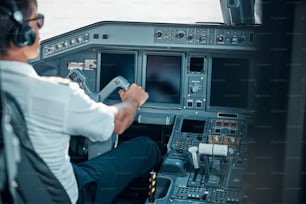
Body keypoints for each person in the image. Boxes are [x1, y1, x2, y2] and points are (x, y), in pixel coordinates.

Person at [0, 0, 161, 203]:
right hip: (64, 195)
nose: (39, 28)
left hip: (15, 190)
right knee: (146, 148)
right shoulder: (54, 93)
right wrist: (132, 101)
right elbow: (118, 123)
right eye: (37, 21)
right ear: (23, 33)